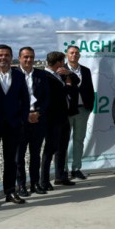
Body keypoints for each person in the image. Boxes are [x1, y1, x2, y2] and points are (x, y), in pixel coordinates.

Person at [0, 44, 30, 207]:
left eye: (6, 55)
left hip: (13, 125)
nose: (3, 58)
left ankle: (10, 191)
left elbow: (25, 100)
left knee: (11, 161)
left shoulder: (18, 76)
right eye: (0, 55)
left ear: (12, 57)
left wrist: (22, 119)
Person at [15, 47, 50, 196]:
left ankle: (35, 183)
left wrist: (39, 112)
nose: (28, 60)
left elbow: (47, 97)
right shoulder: (13, 75)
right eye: (25, 57)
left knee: (35, 154)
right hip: (21, 121)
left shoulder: (41, 75)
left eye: (31, 57)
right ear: (19, 58)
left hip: (38, 119)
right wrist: (24, 115)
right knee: (19, 156)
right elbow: (11, 99)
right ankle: (21, 185)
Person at [41, 51, 79, 189]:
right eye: (63, 61)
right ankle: (44, 181)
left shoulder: (61, 74)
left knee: (62, 148)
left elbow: (77, 81)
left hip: (64, 117)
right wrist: (68, 87)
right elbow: (57, 95)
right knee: (49, 150)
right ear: (57, 62)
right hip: (52, 119)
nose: (64, 64)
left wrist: (68, 74)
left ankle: (60, 176)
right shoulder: (45, 76)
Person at [64, 45, 95, 180]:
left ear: (79, 55)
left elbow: (90, 89)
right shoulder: (61, 71)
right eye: (71, 53)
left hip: (83, 110)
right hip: (67, 111)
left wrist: (90, 107)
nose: (74, 55)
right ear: (67, 55)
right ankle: (63, 170)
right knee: (63, 141)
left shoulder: (86, 71)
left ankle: (76, 168)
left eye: (76, 53)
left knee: (79, 140)